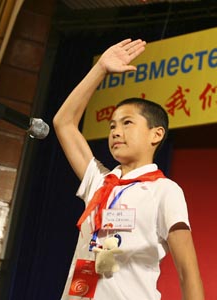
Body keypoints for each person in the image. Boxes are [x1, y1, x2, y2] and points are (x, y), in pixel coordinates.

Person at [53, 38, 204, 300]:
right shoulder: (100, 182)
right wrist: (100, 68)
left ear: (156, 134)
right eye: (112, 126)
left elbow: (187, 272)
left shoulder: (164, 191)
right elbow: (64, 122)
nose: (116, 132)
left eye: (127, 123)